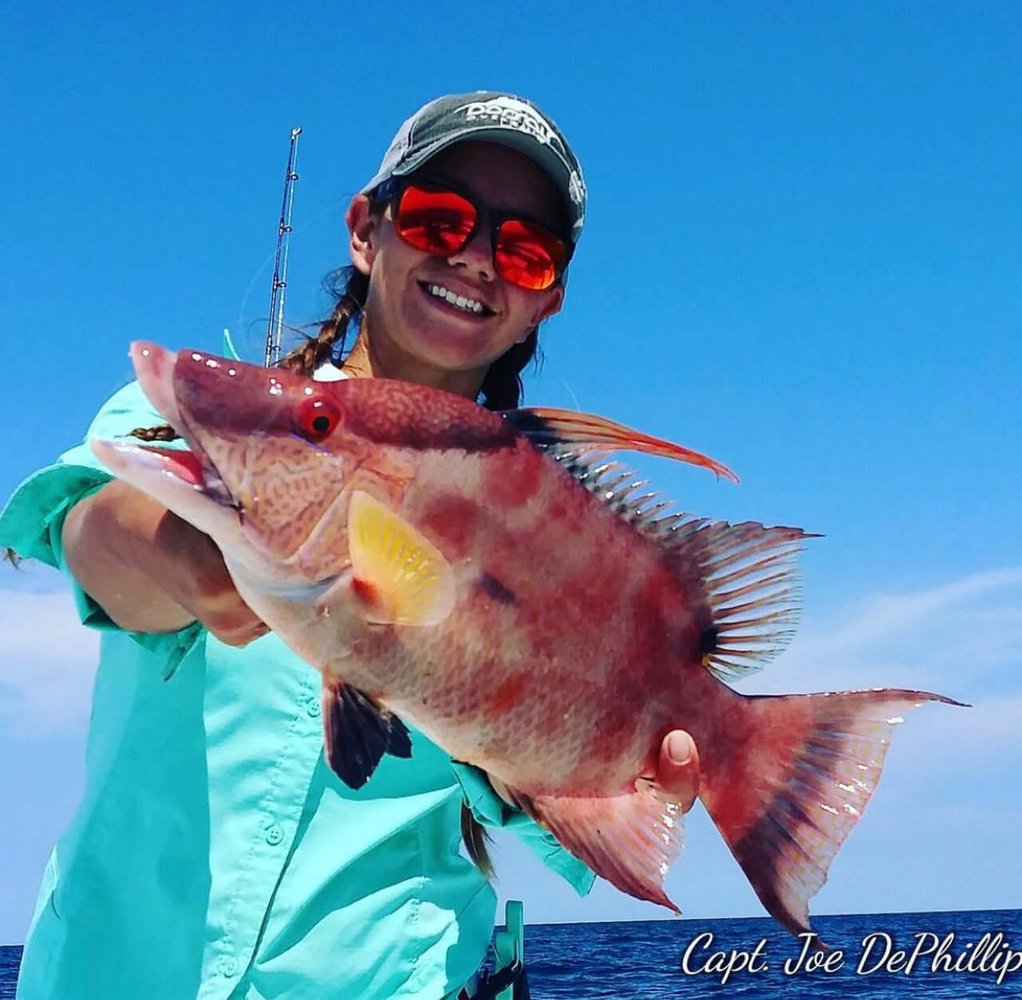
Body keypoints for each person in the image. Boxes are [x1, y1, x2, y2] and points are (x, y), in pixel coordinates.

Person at [1, 91, 701, 999]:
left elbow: (545, 804)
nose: (477, 257)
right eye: (441, 216)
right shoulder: (229, 424)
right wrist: (182, 554)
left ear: (545, 302)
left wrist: (638, 775)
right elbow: (88, 530)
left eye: (524, 250)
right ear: (366, 231)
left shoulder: (540, 520)